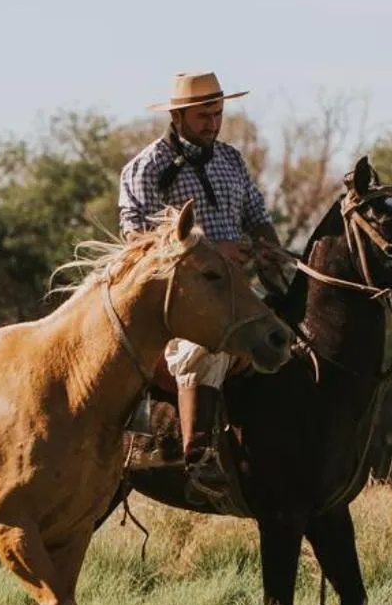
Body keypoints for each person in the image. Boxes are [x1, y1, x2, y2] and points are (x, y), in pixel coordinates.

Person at [117, 72, 291, 470]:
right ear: (178, 117)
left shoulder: (230, 159)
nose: (212, 124)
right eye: (202, 116)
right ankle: (199, 458)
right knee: (205, 349)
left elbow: (257, 216)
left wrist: (271, 252)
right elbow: (138, 241)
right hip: (180, 302)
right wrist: (215, 252)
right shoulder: (146, 167)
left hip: (238, 292)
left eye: (218, 114)